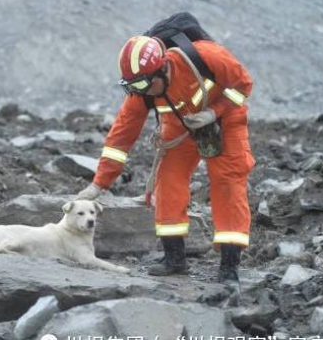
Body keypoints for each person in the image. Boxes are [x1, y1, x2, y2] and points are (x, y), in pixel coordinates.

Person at [76, 35, 254, 287]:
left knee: (228, 183)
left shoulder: (206, 57)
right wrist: (99, 183)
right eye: (136, 87)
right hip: (178, 126)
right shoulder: (143, 88)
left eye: (146, 85)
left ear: (164, 69)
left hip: (226, 123)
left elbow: (243, 85)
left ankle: (229, 267)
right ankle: (174, 258)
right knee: (168, 182)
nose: (142, 92)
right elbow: (121, 135)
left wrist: (215, 112)